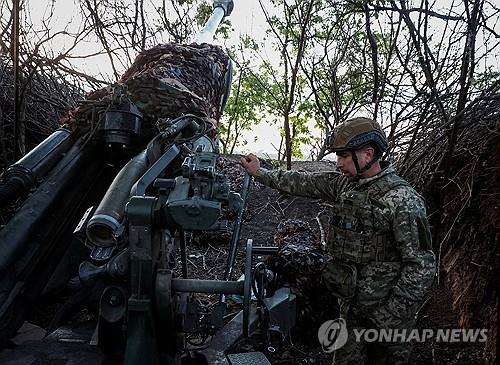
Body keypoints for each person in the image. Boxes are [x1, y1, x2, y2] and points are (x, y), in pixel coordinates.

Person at [240, 117, 436, 365]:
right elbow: (302, 182)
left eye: (343, 155)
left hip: (388, 318)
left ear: (368, 153)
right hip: (350, 311)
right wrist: (260, 172)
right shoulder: (344, 184)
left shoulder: (402, 200)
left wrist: (392, 313)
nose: (338, 162)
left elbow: (422, 266)